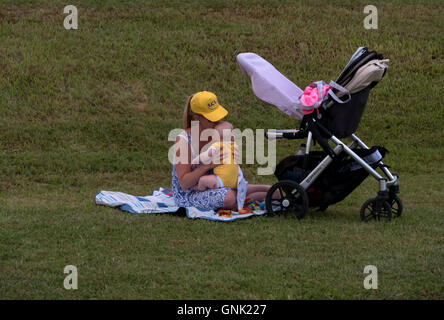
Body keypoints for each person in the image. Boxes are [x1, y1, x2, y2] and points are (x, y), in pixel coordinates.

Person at [171, 91, 273, 211]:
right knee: (229, 196)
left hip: (216, 186)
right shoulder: (183, 140)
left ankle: (259, 194)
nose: (216, 121)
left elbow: (230, 171)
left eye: (217, 116)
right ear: (196, 118)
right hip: (189, 194)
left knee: (270, 190)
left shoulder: (220, 133)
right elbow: (184, 183)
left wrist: (233, 159)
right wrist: (206, 166)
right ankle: (243, 199)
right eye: (210, 118)